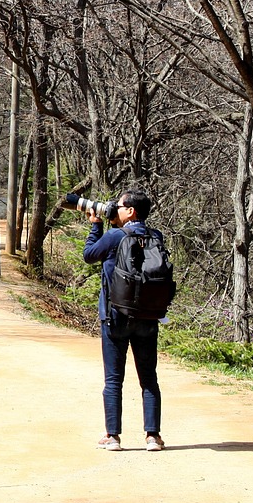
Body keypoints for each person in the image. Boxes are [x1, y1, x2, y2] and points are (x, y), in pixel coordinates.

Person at [83, 188, 164, 452]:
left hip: (115, 318)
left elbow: (89, 255)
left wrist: (96, 226)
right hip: (148, 319)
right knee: (148, 378)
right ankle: (153, 436)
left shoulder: (114, 235)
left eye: (118, 206)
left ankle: (113, 436)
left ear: (130, 211)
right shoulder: (156, 236)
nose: (114, 210)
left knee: (113, 380)